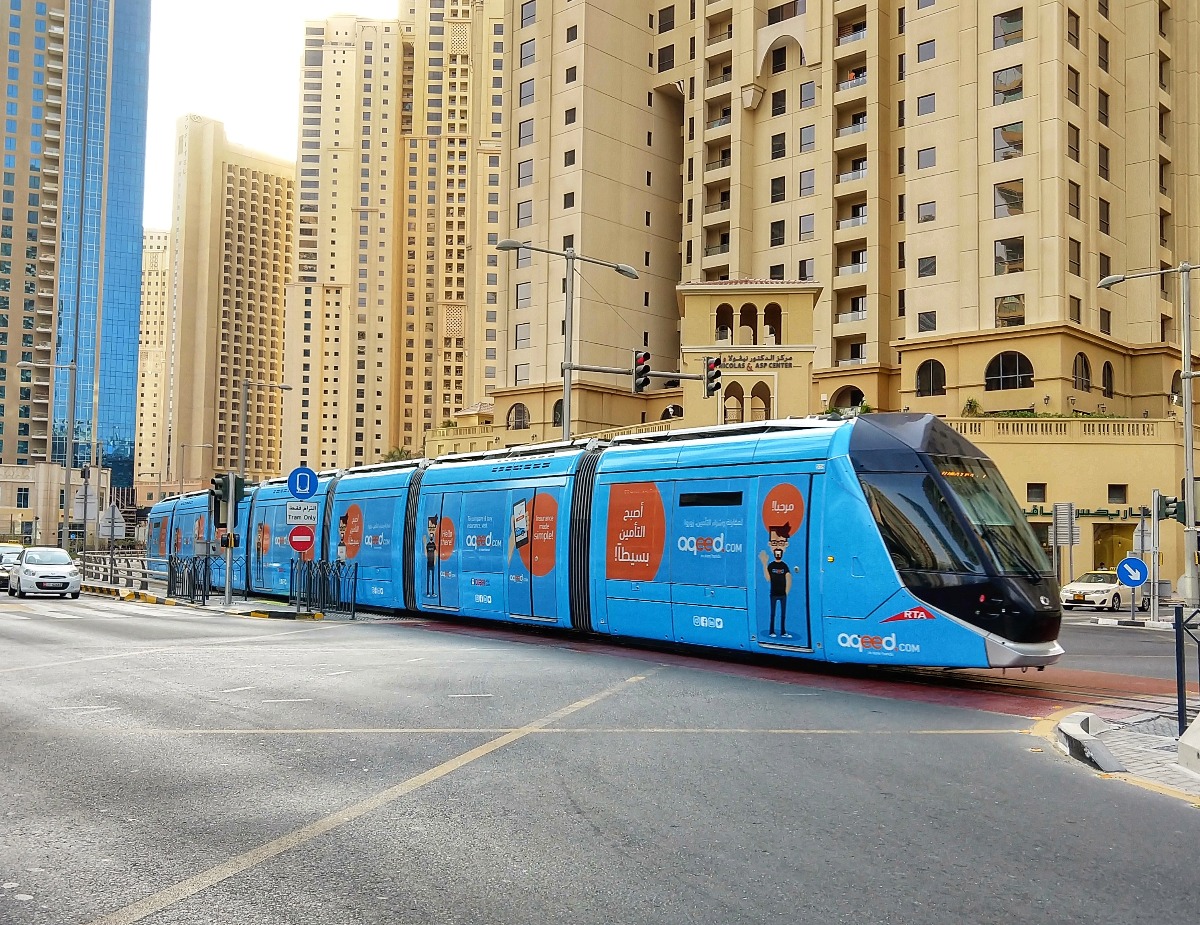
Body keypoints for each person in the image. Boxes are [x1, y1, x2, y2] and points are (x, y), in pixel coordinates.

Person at [759, 526, 793, 638]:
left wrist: (786, 592)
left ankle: (783, 631)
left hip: (782, 594)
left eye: (781, 542)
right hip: (773, 594)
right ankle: (772, 631)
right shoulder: (771, 565)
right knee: (773, 614)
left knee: (783, 614)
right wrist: (764, 564)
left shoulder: (784, 565)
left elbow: (788, 577)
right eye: (774, 542)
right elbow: (768, 578)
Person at [425, 515, 439, 595]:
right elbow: (425, 553)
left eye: (432, 537)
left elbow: (436, 553)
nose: (431, 538)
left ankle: (433, 592)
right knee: (428, 578)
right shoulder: (427, 544)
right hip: (428, 563)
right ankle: (428, 592)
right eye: (430, 537)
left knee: (432, 578)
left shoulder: (433, 544)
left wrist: (435, 562)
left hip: (432, 563)